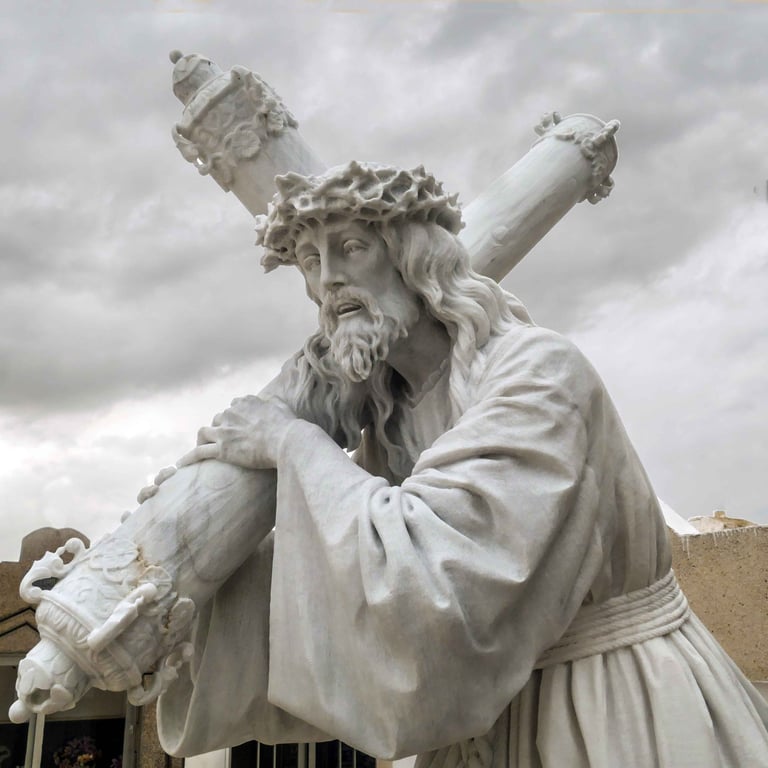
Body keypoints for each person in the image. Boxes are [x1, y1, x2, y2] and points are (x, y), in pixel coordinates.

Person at [156, 162, 768, 767]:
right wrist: (198, 561)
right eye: (312, 262)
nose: (329, 281)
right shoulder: (392, 414)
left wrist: (290, 444)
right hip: (480, 724)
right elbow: (343, 563)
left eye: (350, 248)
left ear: (415, 258)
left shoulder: (540, 371)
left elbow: (437, 575)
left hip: (606, 705)